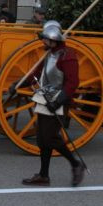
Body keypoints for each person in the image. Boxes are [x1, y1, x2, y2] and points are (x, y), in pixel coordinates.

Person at [22, 21, 85, 187]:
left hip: (59, 100)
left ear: (53, 40)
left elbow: (72, 83)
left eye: (45, 39)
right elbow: (36, 75)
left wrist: (58, 102)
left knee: (51, 137)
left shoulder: (67, 56)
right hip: (45, 99)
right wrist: (18, 85)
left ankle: (76, 164)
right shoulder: (49, 54)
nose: (43, 41)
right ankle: (43, 175)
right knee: (42, 139)